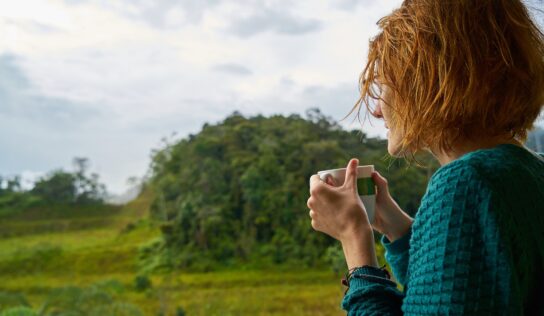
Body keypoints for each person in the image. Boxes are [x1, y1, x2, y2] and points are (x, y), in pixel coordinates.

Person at [306, 0, 544, 314]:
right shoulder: (528, 170)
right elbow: (456, 290)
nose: (377, 110)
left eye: (385, 85)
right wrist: (396, 227)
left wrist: (354, 239)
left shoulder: (464, 183)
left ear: (427, 81)